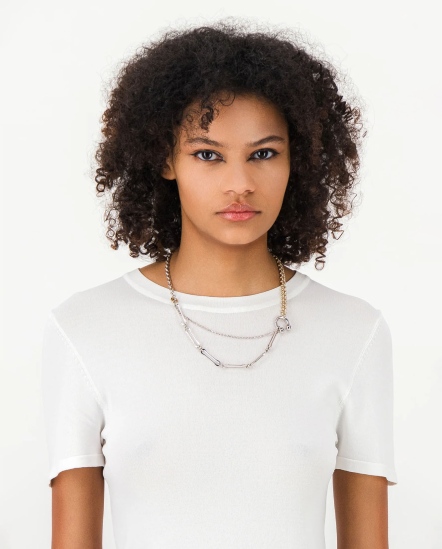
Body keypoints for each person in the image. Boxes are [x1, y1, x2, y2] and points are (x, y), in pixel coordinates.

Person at [41, 20, 398, 548]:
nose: (240, 184)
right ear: (166, 159)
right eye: (208, 154)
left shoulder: (354, 331)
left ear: (297, 159)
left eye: (264, 153)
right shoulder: (84, 329)